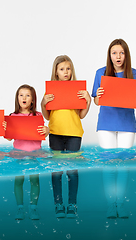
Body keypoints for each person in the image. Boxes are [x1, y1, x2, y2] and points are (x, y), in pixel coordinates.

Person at [91, 39, 136, 218]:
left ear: (126, 54)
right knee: (109, 166)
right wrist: (98, 95)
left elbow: (133, 100)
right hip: (106, 124)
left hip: (126, 124)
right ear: (110, 55)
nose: (118, 56)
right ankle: (110, 205)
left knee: (122, 166)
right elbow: (96, 101)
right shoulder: (101, 73)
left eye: (121, 53)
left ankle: (120, 204)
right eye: (114, 53)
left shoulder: (133, 73)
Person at [41, 55, 91, 218]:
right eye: (62, 69)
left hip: (74, 134)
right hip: (55, 133)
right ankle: (58, 204)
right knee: (56, 171)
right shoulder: (51, 92)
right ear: (56, 72)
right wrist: (43, 102)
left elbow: (82, 115)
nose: (66, 72)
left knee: (72, 171)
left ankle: (72, 204)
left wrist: (88, 101)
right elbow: (47, 116)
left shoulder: (77, 91)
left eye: (68, 69)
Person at [6, 84, 49, 220]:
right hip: (18, 154)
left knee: (34, 181)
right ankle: (20, 208)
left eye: (27, 95)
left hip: (34, 154)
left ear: (33, 100)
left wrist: (47, 130)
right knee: (19, 181)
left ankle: (33, 208)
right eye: (21, 95)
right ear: (17, 98)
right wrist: (5, 128)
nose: (24, 98)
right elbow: (8, 138)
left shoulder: (38, 115)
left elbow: (43, 132)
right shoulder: (12, 116)